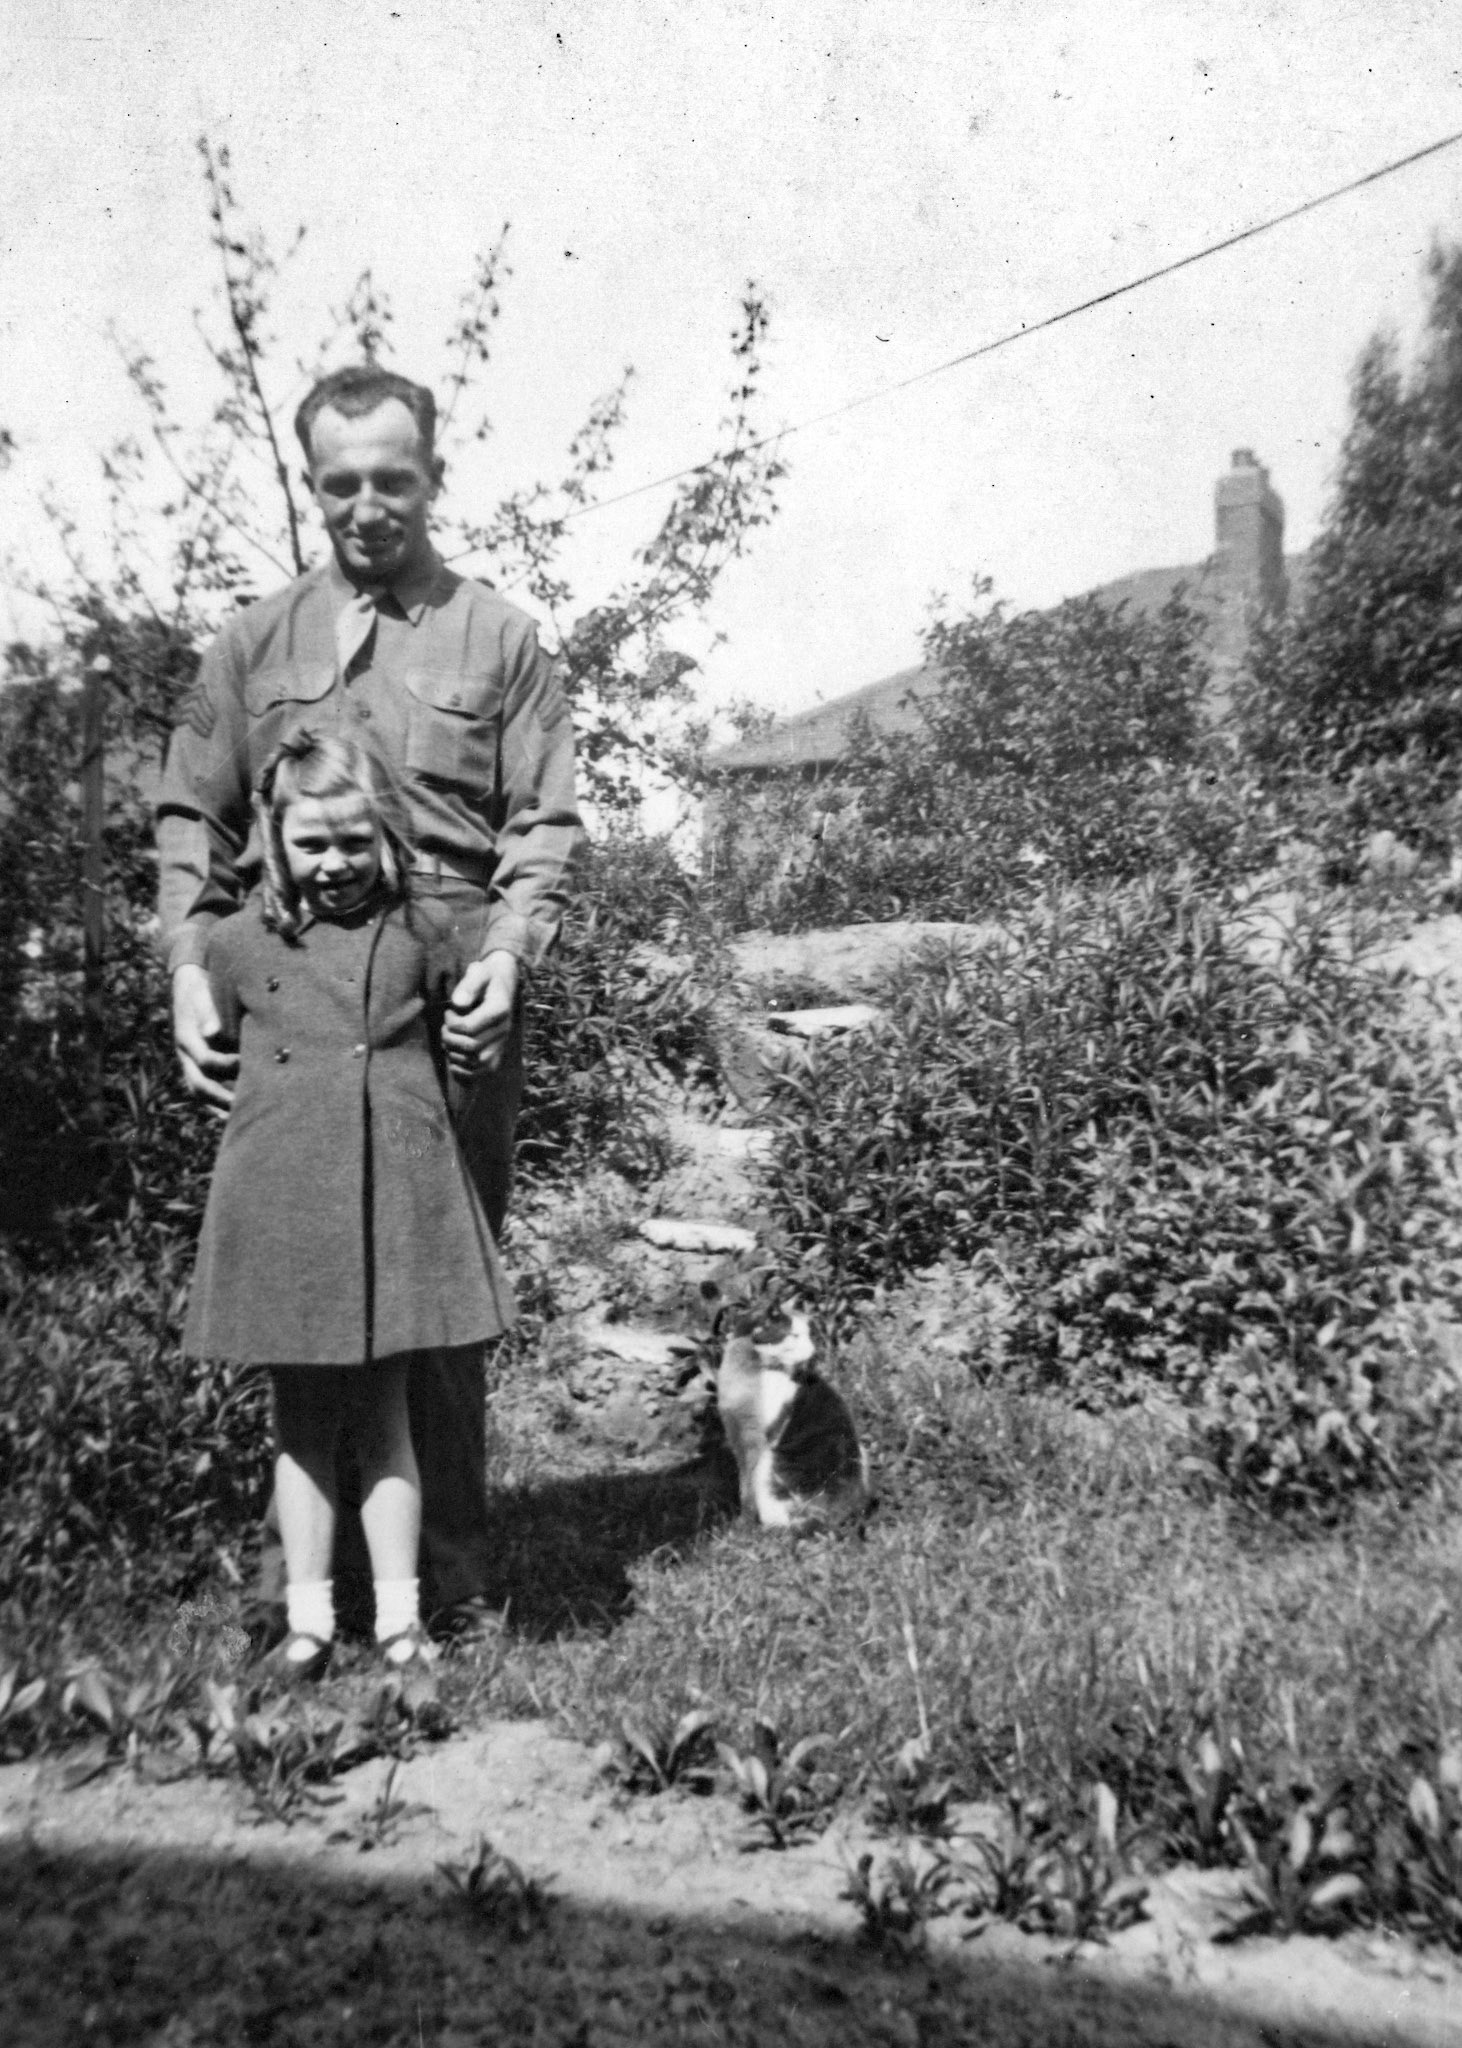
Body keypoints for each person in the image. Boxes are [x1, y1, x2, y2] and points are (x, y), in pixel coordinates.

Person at [157, 363, 583, 1624]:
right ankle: (307, 1578)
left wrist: (509, 954)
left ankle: (442, 1577)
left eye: (392, 478)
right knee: (293, 1281)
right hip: (285, 997)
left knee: (436, 1288)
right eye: (339, 481)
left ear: (433, 474)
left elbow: (542, 821)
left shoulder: (498, 636)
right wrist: (189, 967)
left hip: (441, 993)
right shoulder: (253, 641)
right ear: (311, 482)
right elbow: (194, 812)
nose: (367, 504)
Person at [184, 730, 515, 1676]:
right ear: (274, 842)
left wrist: (410, 1151)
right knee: (300, 1425)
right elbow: (228, 1071)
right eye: (312, 844)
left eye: (354, 843)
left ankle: (404, 1621)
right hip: (289, 1204)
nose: (335, 865)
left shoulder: (423, 934)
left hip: (390, 1201)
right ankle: (308, 1623)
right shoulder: (236, 946)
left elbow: (462, 1062)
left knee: (386, 1420)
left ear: (387, 838)